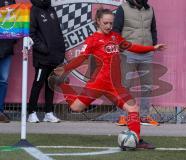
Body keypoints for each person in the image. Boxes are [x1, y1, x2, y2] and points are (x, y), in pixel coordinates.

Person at [52, 8, 165, 149]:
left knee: (133, 109)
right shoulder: (92, 40)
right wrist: (65, 69)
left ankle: (136, 139)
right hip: (97, 83)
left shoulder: (115, 37)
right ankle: (63, 84)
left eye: (111, 23)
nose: (108, 26)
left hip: (114, 85)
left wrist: (152, 48)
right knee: (75, 107)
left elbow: (131, 46)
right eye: (105, 23)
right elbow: (81, 59)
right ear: (98, 21)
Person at [113, 0, 164, 126]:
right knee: (125, 86)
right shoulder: (123, 8)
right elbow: (116, 30)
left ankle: (144, 116)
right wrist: (121, 47)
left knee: (147, 86)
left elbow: (153, 29)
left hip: (147, 54)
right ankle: (123, 116)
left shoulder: (150, 9)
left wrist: (153, 44)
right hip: (127, 53)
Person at [27, 0, 65, 123]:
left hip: (55, 55)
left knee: (51, 84)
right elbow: (31, 33)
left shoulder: (51, 9)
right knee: (38, 83)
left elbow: (57, 31)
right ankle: (31, 113)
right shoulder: (34, 10)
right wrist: (43, 48)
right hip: (42, 57)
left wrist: (60, 49)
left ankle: (49, 113)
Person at [0, 0, 16, 123]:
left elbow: (16, 23)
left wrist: (11, 41)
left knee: (3, 80)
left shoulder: (11, 1)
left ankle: (0, 111)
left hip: (7, 48)